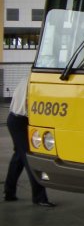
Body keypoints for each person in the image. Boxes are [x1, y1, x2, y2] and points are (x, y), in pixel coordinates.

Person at [4, 78, 55, 206]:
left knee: (19, 158)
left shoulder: (27, 78)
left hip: (13, 119)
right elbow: (31, 104)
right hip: (21, 121)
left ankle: (9, 192)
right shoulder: (36, 81)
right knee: (31, 158)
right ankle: (39, 198)